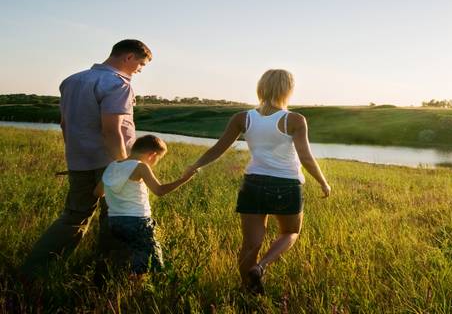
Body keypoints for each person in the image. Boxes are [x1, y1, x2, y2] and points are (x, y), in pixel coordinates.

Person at [183, 69, 331, 294]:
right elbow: (306, 157)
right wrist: (322, 181)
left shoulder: (242, 118)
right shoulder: (294, 119)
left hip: (253, 183)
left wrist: (196, 165)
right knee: (290, 232)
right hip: (286, 184)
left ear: (261, 88)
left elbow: (219, 148)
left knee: (250, 244)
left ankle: (247, 289)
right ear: (288, 90)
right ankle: (261, 267)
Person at [20, 39, 151, 277]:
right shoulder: (118, 83)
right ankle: (109, 275)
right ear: (129, 57)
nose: (140, 70)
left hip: (79, 159)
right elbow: (111, 130)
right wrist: (123, 166)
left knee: (74, 216)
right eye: (141, 64)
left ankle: (34, 270)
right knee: (118, 216)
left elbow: (64, 124)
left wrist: (76, 154)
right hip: (111, 162)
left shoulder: (71, 81)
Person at [99, 135, 196, 276]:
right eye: (158, 159)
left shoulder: (112, 166)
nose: (155, 163)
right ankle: (136, 292)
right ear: (152, 155)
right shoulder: (140, 166)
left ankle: (122, 286)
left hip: (114, 221)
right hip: (137, 222)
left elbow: (97, 192)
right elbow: (159, 190)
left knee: (126, 258)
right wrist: (184, 179)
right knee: (151, 263)